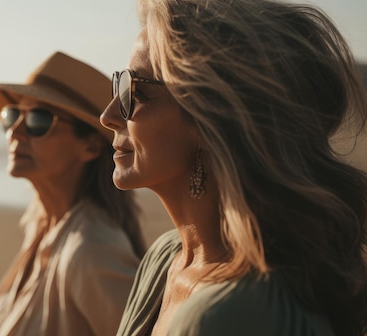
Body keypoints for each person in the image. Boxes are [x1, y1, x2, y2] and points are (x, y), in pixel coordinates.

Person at [100, 0, 367, 335]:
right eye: (118, 82)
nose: (108, 116)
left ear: (206, 118)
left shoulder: (232, 314)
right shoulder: (164, 259)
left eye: (132, 91)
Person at [0, 51, 146, 336]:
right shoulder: (40, 223)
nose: (15, 131)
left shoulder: (91, 250)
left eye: (38, 120)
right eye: (12, 115)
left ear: (90, 147)